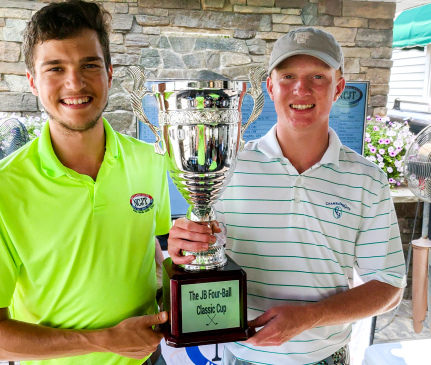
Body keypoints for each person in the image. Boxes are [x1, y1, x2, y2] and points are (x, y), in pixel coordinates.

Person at [0, 1, 171, 364]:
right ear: (32, 81)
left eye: (90, 65)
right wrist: (104, 341)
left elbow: (149, 250)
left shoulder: (150, 161)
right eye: (55, 68)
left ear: (110, 73)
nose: (75, 83)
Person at [168, 27, 406, 365]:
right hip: (243, 356)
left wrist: (311, 316)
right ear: (270, 86)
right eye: (288, 75)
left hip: (328, 357)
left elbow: (389, 286)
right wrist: (184, 246)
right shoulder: (227, 169)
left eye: (318, 77)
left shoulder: (367, 180)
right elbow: (200, 253)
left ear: (338, 87)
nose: (301, 89)